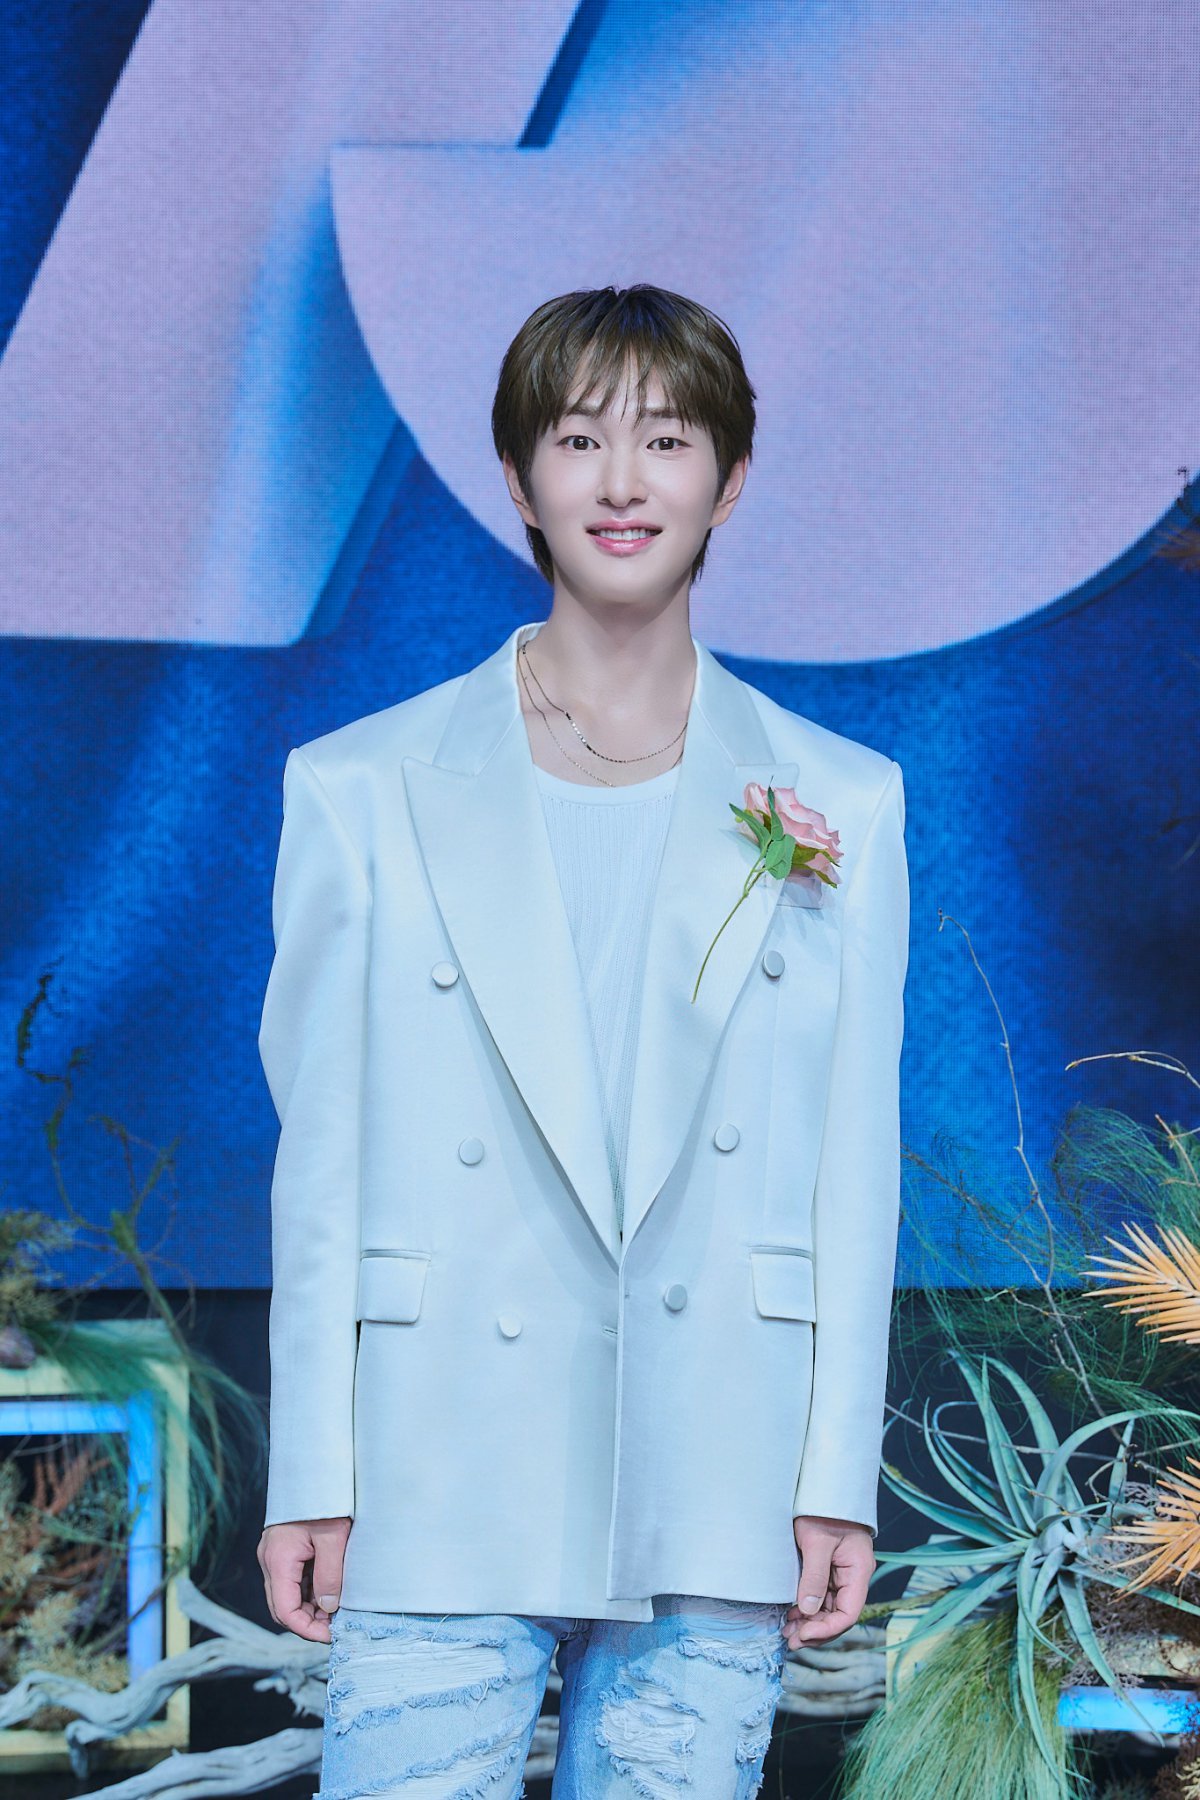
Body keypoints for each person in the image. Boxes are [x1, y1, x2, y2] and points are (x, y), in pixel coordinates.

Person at [256, 284, 910, 1798]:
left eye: (667, 440)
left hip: (718, 1441)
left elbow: (851, 1170)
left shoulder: (842, 802)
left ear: (729, 482)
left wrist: (833, 1475)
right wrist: (314, 1471)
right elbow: (321, 1165)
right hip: (435, 1446)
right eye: (578, 439)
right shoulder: (362, 789)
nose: (623, 483)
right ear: (517, 478)